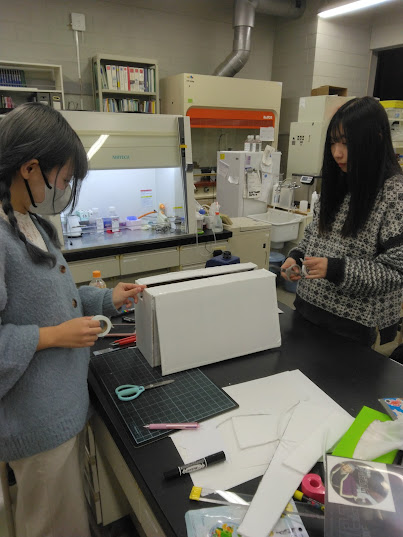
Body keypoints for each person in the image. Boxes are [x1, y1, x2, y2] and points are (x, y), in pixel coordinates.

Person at [0, 102, 146, 537]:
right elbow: (46, 326)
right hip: (36, 425)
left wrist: (105, 299)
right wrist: (52, 336)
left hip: (61, 411)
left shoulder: (29, 222)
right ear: (29, 168)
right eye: (63, 179)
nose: (64, 189)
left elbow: (53, 300)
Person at [281, 96, 403, 347]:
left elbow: (395, 272)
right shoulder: (338, 180)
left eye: (347, 143)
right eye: (333, 142)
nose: (337, 153)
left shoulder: (394, 193)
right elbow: (315, 233)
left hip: (351, 327)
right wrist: (297, 257)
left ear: (376, 139)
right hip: (307, 308)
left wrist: (337, 269)